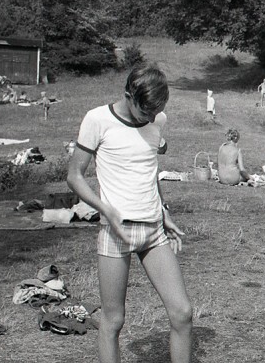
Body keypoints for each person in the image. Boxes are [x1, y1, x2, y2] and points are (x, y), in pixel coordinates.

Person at [67, 63, 192, 363]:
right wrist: (106, 210)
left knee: (183, 313)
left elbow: (150, 170)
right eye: (144, 111)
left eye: (155, 112)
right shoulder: (97, 120)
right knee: (114, 320)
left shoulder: (156, 119)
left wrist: (164, 212)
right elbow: (74, 176)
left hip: (153, 232)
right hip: (115, 232)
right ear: (128, 95)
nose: (150, 118)